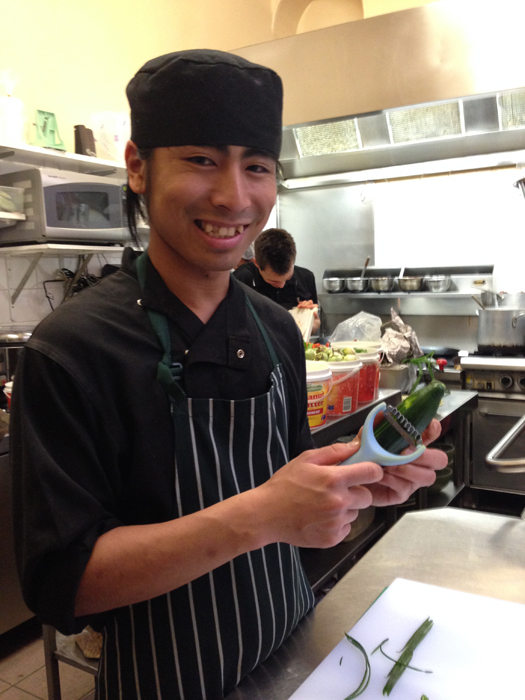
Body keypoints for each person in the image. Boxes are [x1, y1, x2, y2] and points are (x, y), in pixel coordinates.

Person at [11, 49, 446, 700]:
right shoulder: (74, 349)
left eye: (257, 167)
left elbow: (287, 494)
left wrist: (352, 479)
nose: (233, 196)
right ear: (137, 166)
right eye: (201, 159)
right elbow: (60, 585)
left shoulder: (274, 331)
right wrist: (260, 517)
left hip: (289, 658)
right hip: (162, 681)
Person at [233, 227, 321, 333]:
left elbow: (312, 329)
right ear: (256, 263)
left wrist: (310, 323)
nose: (282, 285)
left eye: (288, 278)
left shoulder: (306, 278)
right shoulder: (240, 280)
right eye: (273, 281)